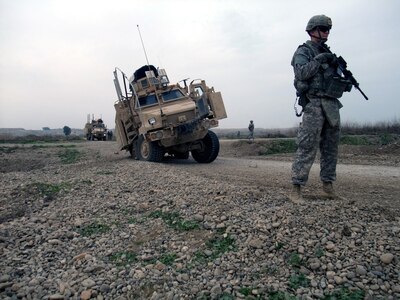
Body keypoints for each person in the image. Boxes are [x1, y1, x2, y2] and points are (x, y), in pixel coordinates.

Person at [289, 15, 352, 204]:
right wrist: (319, 59)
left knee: (331, 148)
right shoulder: (304, 51)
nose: (327, 33)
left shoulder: (330, 54)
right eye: (324, 29)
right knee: (307, 145)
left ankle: (328, 187)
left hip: (331, 104)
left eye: (328, 30)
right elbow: (301, 73)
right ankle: (296, 189)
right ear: (313, 30)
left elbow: (336, 78)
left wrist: (345, 82)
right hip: (314, 103)